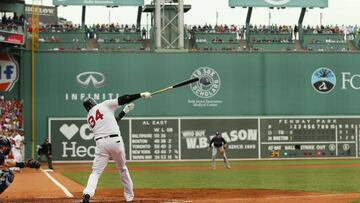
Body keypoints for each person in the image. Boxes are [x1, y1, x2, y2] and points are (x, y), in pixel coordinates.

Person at [82, 91, 152, 203]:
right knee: (122, 169)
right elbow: (124, 98)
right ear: (93, 102)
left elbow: (111, 122)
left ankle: (87, 193)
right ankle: (129, 197)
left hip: (101, 144)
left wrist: (124, 112)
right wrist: (140, 95)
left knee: (95, 172)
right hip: (115, 141)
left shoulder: (89, 118)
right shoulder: (104, 105)